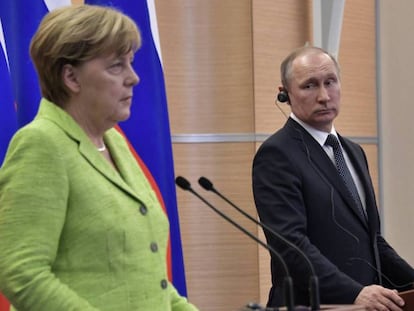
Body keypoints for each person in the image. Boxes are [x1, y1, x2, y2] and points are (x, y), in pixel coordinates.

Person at [0, 5, 198, 311]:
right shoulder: (41, 144)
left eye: (131, 63)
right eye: (116, 66)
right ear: (71, 77)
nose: (133, 78)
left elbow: (144, 275)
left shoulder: (114, 142)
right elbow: (22, 273)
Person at [252, 46, 414, 310]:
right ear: (285, 94)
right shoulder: (277, 154)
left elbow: (372, 241)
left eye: (330, 82)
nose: (324, 96)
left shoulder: (353, 151)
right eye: (309, 86)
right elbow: (291, 246)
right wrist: (355, 293)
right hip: (313, 304)